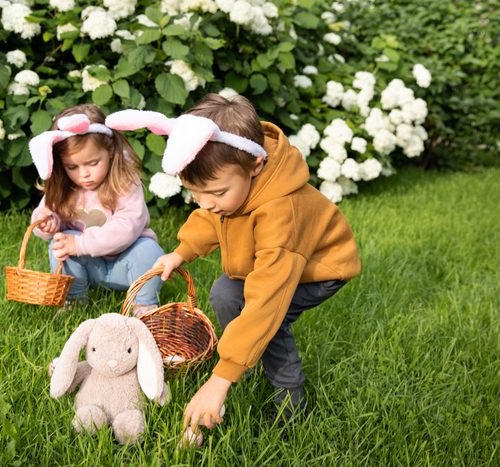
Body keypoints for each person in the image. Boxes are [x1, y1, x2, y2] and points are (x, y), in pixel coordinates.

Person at [113, 94, 361, 432]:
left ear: (255, 166)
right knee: (225, 293)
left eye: (216, 193)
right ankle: (245, 359)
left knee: (267, 323)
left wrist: (219, 380)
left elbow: (266, 302)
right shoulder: (229, 185)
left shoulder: (281, 212)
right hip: (274, 263)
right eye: (195, 193)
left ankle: (291, 402)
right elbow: (208, 219)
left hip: (318, 269)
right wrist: (181, 251)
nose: (206, 203)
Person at [28, 104, 164, 316]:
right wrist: (46, 222)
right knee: (60, 244)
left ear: (109, 150)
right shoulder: (65, 187)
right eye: (72, 167)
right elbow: (45, 214)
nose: (84, 175)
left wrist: (80, 244)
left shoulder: (125, 181)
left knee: (149, 252)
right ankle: (75, 299)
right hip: (90, 267)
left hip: (125, 263)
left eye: (92, 163)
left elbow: (127, 227)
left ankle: (143, 302)